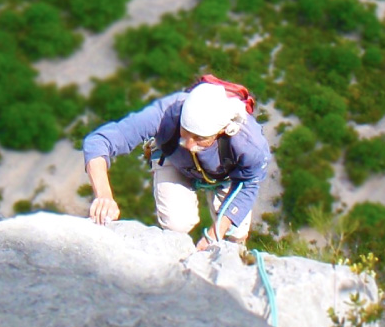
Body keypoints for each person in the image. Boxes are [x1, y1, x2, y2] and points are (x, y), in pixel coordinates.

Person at [82, 79, 270, 247]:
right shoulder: (166, 113)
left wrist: (214, 235)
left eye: (199, 138)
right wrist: (104, 196)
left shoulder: (249, 144)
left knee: (234, 233)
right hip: (175, 160)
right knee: (176, 224)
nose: (188, 144)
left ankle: (235, 253)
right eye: (185, 131)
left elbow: (248, 184)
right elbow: (98, 141)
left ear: (222, 131)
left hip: (228, 174)